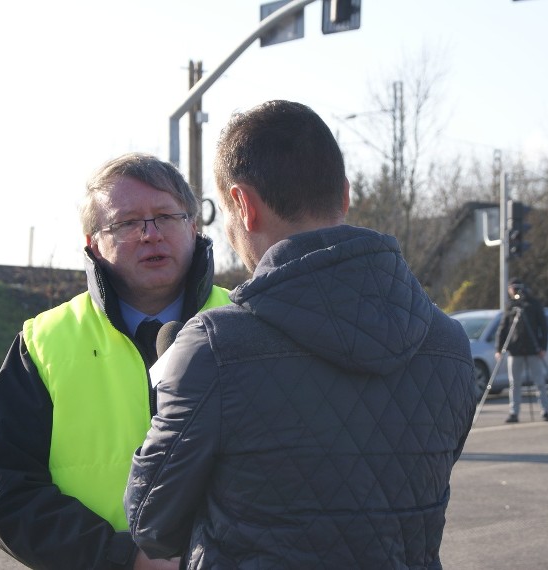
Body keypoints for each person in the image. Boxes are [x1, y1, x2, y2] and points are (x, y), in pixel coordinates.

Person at [124, 100, 479, 568]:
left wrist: (168, 388)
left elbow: (151, 523)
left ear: (243, 206)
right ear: (345, 195)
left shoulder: (214, 347)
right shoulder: (450, 345)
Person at [0, 152, 231, 569]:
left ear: (192, 226)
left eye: (166, 216)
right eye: (127, 223)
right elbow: (4, 494)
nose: (151, 234)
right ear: (93, 243)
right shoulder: (43, 343)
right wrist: (125, 559)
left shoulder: (248, 323)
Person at [495, 277, 548, 423]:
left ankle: (545, 411)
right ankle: (514, 412)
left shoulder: (533, 304)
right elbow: (503, 328)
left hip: (533, 349)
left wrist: (543, 347)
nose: (513, 292)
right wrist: (499, 348)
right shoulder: (511, 306)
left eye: (515, 289)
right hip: (515, 349)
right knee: (514, 383)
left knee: (539, 382)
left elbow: (543, 327)